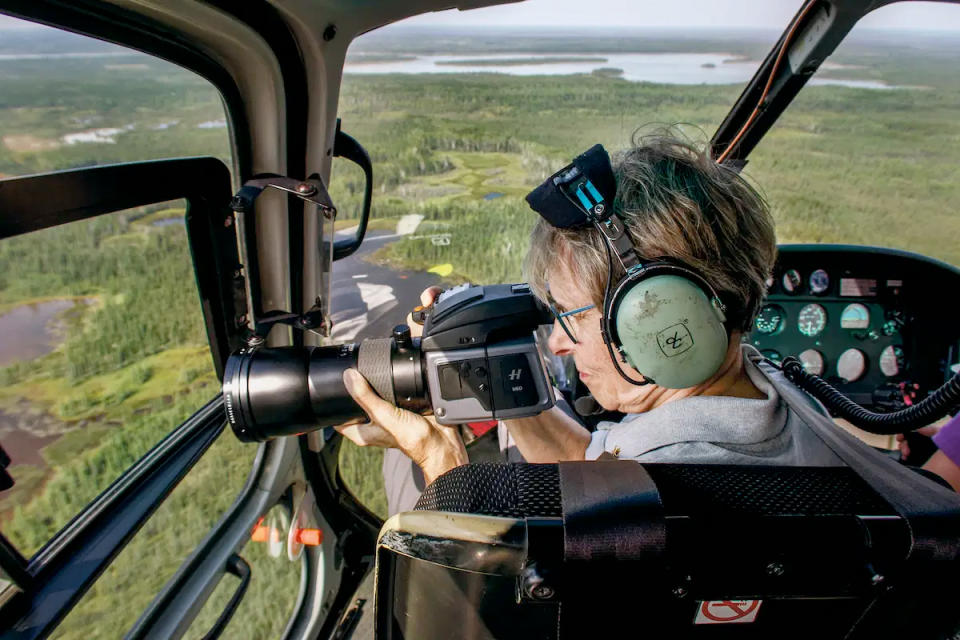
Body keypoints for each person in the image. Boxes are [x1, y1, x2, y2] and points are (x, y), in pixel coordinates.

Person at [336, 131, 841, 487]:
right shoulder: (785, 401)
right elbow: (589, 462)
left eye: (571, 317)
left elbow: (491, 616)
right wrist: (497, 379)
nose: (557, 342)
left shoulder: (646, 504)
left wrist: (440, 460)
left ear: (660, 318)